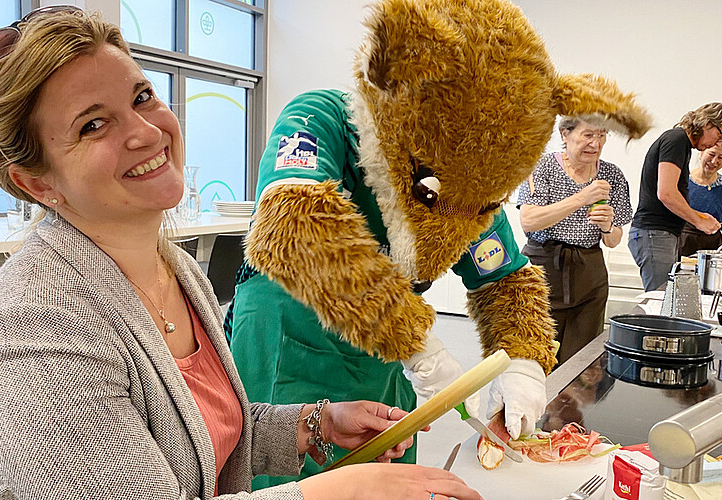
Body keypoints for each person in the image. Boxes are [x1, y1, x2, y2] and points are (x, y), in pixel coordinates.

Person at [0, 7, 482, 500]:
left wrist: (314, 424)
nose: (146, 130)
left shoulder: (176, 272)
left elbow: (205, 440)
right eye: (93, 124)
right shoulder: (23, 335)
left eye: (140, 97)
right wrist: (333, 492)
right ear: (36, 184)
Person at [225, 0, 652, 489]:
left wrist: (525, 363)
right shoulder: (320, 119)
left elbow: (506, 275)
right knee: (297, 485)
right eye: (434, 190)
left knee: (389, 479)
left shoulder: (475, 189)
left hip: (386, 353)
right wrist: (419, 346)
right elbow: (293, 229)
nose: (459, 219)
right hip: (290, 338)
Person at [515, 117, 633, 364]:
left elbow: (613, 240)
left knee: (582, 363)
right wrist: (581, 198)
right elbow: (529, 220)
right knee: (532, 358)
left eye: (601, 136)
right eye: (588, 135)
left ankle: (572, 404)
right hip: (543, 268)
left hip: (589, 273)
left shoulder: (612, 174)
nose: (595, 143)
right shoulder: (542, 166)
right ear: (565, 134)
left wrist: (607, 225)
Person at [628, 102, 722, 291]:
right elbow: (666, 193)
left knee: (665, 300)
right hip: (655, 233)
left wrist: (699, 215)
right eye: (719, 136)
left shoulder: (682, 144)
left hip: (661, 234)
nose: (717, 143)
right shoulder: (677, 139)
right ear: (707, 124)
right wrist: (698, 221)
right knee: (659, 301)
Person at [678, 138, 722, 256]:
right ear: (701, 152)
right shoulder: (683, 180)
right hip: (683, 242)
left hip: (713, 247)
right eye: (711, 154)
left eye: (721, 158)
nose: (714, 161)